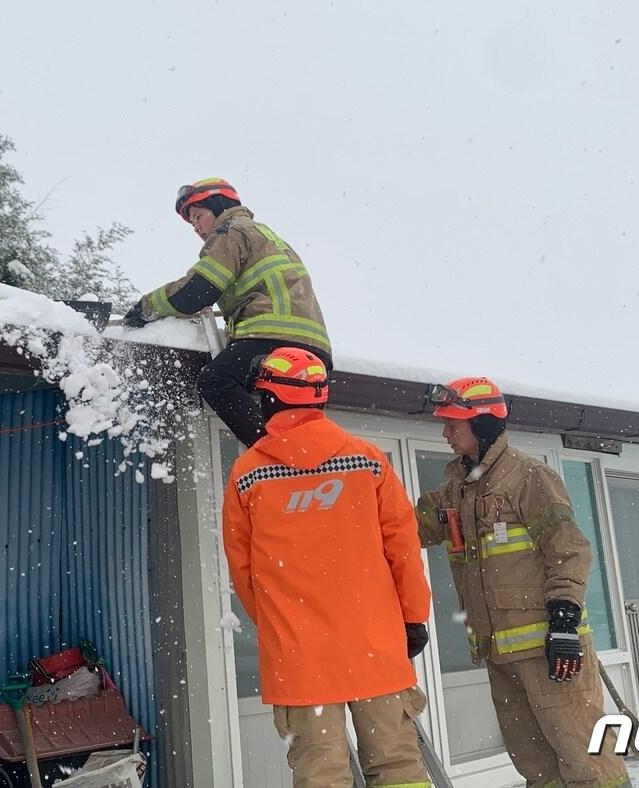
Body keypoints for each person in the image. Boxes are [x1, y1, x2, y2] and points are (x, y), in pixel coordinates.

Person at [222, 347, 433, 788]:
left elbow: (243, 572)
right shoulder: (366, 460)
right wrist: (412, 618)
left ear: (271, 400)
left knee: (321, 775)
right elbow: (404, 548)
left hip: (301, 662)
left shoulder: (248, 474)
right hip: (376, 647)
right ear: (319, 400)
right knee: (397, 768)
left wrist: (282, 628)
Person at [414, 377, 631, 788]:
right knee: (536, 766)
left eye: (453, 425)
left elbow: (568, 549)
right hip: (500, 653)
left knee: (586, 760)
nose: (445, 433)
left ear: (481, 424)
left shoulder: (529, 478)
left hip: (550, 650)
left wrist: (565, 625)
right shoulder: (457, 492)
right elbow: (404, 527)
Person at [124, 178, 332, 447]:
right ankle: (297, 458)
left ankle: (270, 455)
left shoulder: (230, 232)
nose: (196, 227)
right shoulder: (267, 235)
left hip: (272, 337)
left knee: (216, 380)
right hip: (314, 350)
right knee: (282, 416)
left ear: (219, 205)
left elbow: (196, 292)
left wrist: (145, 308)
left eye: (198, 216)